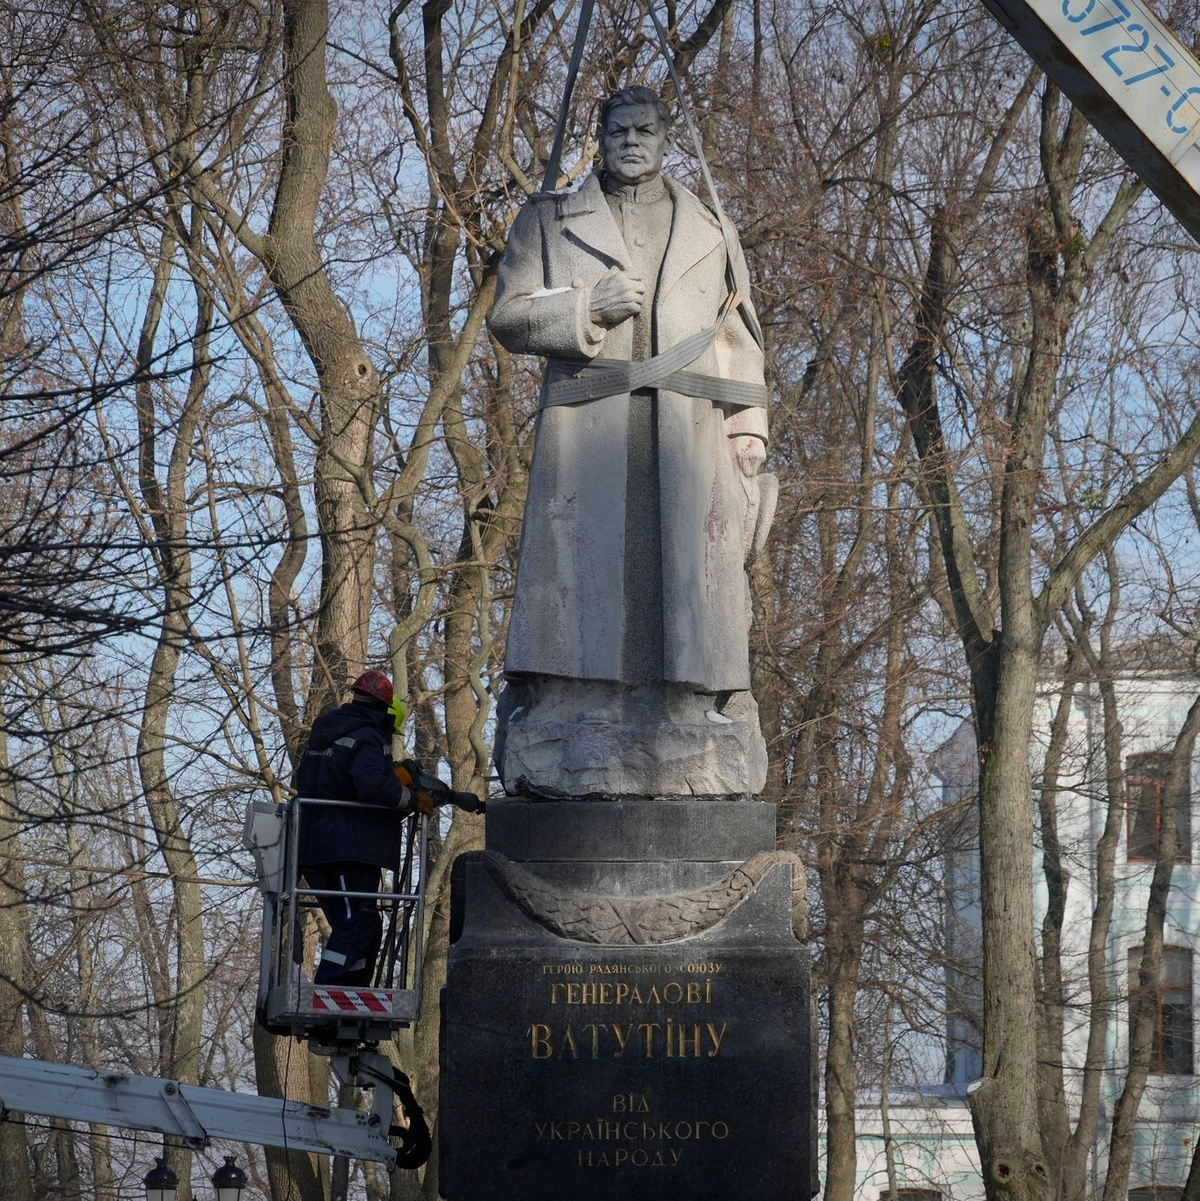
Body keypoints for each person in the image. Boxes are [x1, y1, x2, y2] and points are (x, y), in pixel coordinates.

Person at [488, 85, 775, 791]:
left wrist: (748, 433)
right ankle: (580, 707)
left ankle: (689, 707)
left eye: (646, 129)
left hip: (686, 430)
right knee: (584, 572)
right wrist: (587, 307)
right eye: (619, 131)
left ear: (666, 136)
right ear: (601, 137)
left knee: (688, 579)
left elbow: (740, 338)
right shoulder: (551, 221)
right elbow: (509, 315)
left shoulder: (711, 228)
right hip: (592, 425)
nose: (632, 142)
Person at [294, 670, 481, 986]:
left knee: (364, 925)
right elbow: (369, 787)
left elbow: (317, 781)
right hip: (347, 850)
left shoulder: (327, 735)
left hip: (318, 847)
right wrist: (410, 799)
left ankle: (350, 992)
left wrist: (390, 776)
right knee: (357, 923)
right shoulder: (367, 736)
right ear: (383, 710)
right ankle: (325, 989)